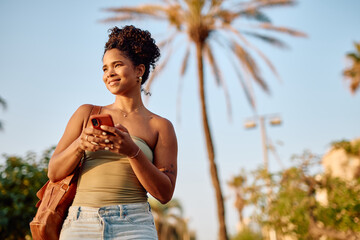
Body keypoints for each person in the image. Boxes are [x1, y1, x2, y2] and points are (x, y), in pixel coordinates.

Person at [47, 25, 178, 239]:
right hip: (82, 223)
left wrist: (132, 151)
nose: (109, 73)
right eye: (105, 68)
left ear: (139, 70)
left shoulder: (160, 126)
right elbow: (53, 172)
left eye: (117, 65)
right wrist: (80, 144)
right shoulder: (86, 113)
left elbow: (164, 193)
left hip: (135, 225)